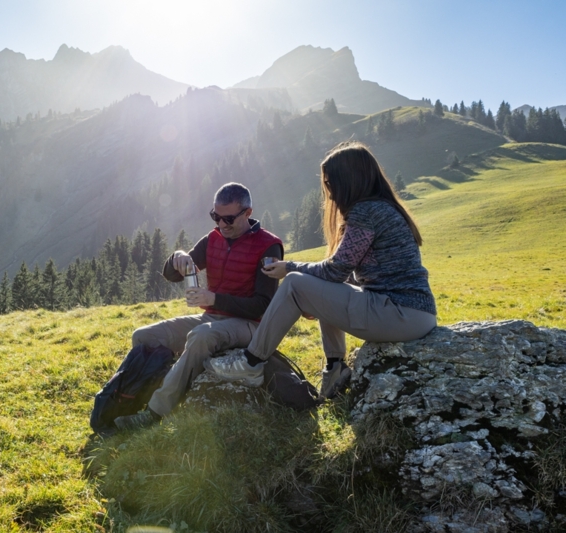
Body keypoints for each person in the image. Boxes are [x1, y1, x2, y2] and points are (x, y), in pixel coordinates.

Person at [210, 141, 437, 399]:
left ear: (348, 180)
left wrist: (289, 267)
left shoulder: (366, 211)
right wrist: (317, 299)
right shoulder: (383, 208)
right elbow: (344, 276)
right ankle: (335, 369)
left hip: (400, 314)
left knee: (295, 282)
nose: (329, 194)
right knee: (322, 286)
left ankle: (250, 362)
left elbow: (335, 271)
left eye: (330, 184)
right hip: (414, 314)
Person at [113, 182, 283, 430]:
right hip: (212, 319)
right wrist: (178, 256)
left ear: (248, 213)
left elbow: (263, 305)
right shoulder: (213, 239)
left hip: (249, 325)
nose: (222, 224)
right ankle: (131, 397)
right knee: (143, 336)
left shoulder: (268, 246)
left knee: (201, 336)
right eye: (216, 217)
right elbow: (172, 275)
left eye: (228, 219)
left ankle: (154, 412)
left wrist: (213, 299)